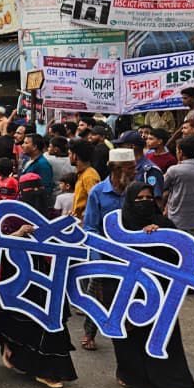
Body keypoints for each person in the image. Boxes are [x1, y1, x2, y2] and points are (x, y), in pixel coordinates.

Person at [110, 181, 194, 388]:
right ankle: (129, 375)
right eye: (138, 199)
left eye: (148, 198)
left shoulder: (163, 224)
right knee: (129, 339)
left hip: (160, 294)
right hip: (128, 292)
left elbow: (180, 255)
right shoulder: (119, 224)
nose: (144, 203)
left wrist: (160, 236)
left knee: (164, 341)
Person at [0, 182, 78, 388]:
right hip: (19, 274)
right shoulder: (9, 215)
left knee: (51, 321)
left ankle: (47, 369)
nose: (35, 194)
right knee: (21, 320)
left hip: (48, 275)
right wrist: (18, 234)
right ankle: (12, 350)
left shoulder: (52, 214)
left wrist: (66, 223)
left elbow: (66, 238)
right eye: (29, 190)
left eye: (38, 189)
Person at [79, 149, 136, 351]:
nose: (133, 172)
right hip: (103, 251)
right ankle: (89, 332)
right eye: (129, 168)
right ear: (115, 169)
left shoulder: (135, 191)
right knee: (95, 293)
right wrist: (98, 255)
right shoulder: (98, 192)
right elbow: (90, 227)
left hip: (130, 251)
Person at [163, 136, 194, 278]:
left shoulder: (174, 170)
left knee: (179, 250)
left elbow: (162, 185)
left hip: (178, 217)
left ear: (181, 152)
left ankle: (180, 279)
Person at [19, 134, 54, 198]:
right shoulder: (28, 160)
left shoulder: (43, 164)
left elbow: (46, 189)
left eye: (26, 143)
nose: (22, 145)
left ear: (34, 147)